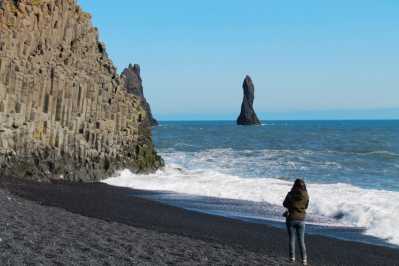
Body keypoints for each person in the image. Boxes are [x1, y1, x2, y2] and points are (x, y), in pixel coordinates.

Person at [283, 179, 309, 265]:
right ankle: (304, 260)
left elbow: (284, 204)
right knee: (301, 240)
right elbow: (306, 206)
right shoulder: (306, 195)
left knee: (292, 239)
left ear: (294, 185)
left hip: (291, 218)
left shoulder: (291, 194)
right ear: (303, 186)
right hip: (301, 219)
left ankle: (292, 258)